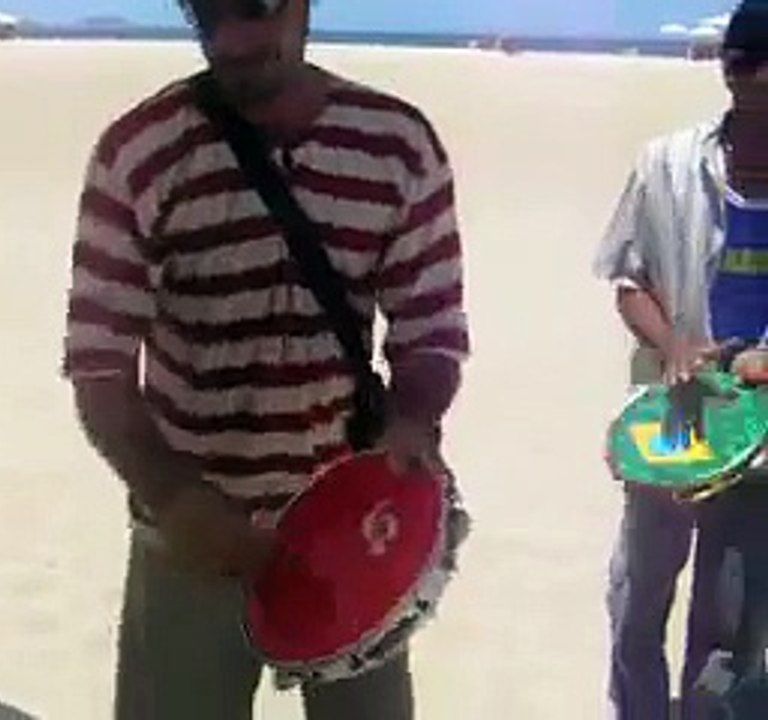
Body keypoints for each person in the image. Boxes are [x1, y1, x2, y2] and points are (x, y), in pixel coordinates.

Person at [60, 0, 470, 717]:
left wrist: (413, 419)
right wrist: (177, 500)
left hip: (354, 532)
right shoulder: (138, 152)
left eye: (255, 8)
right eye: (208, 14)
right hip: (184, 540)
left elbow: (431, 328)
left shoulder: (398, 146)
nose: (233, 39)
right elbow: (98, 368)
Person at [593, 2, 768, 718]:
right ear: (735, 74)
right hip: (673, 422)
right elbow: (629, 280)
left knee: (727, 624)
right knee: (638, 603)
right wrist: (673, 347)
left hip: (760, 449)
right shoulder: (666, 163)